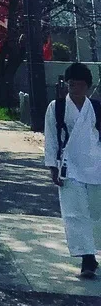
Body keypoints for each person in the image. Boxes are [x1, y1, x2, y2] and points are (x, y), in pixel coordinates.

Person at [43, 62, 101, 279]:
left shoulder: (95, 108)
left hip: (96, 165)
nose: (72, 86)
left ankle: (94, 251)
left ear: (86, 85)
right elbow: (51, 138)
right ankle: (87, 258)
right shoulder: (56, 107)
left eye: (77, 83)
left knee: (96, 213)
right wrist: (52, 166)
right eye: (70, 82)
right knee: (76, 214)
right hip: (69, 167)